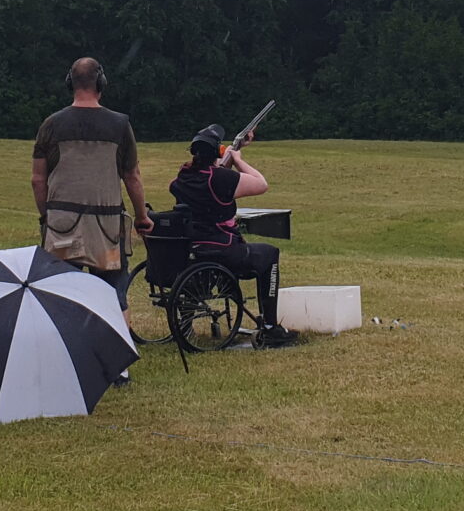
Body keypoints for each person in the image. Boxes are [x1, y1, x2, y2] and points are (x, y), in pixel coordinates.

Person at [31, 57, 152, 298]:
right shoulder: (120, 125)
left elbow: (37, 179)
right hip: (107, 230)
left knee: (60, 297)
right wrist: (142, 217)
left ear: (70, 82)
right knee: (114, 299)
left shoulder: (50, 125)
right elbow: (132, 176)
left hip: (61, 228)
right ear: (101, 82)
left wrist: (47, 217)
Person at [170, 123, 297, 347]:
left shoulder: (184, 177)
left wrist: (236, 149)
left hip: (194, 249)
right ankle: (270, 327)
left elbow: (215, 178)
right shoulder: (219, 178)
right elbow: (261, 184)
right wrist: (238, 160)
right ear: (216, 153)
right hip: (223, 249)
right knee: (270, 254)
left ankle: (186, 325)